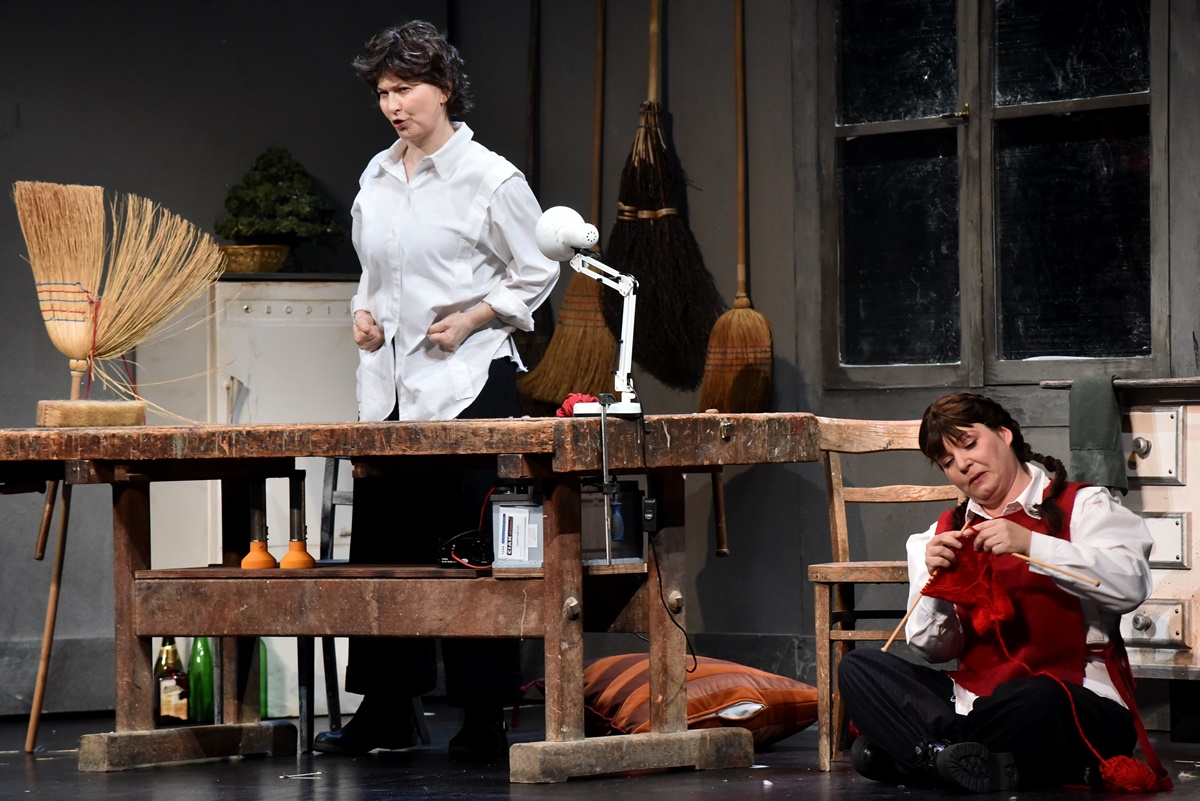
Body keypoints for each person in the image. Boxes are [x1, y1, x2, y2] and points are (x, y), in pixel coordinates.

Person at [313, 21, 559, 760]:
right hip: (390, 390)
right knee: (384, 550)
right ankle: (387, 709)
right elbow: (374, 272)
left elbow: (538, 269)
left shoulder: (490, 177)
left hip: (467, 383)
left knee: (472, 554)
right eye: (383, 92)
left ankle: (484, 715)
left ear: (444, 87)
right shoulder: (377, 174)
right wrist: (362, 314)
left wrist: (476, 317)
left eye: (406, 89)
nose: (393, 105)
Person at [837, 391, 1166, 793]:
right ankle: (964, 759)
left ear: (1005, 434)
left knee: (1038, 696)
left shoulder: (1084, 506)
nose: (962, 464)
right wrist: (936, 588)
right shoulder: (940, 534)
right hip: (976, 698)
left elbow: (1131, 585)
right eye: (947, 462)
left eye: (969, 444)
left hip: (1074, 699)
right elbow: (933, 650)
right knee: (859, 668)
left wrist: (1031, 545)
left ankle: (924, 753)